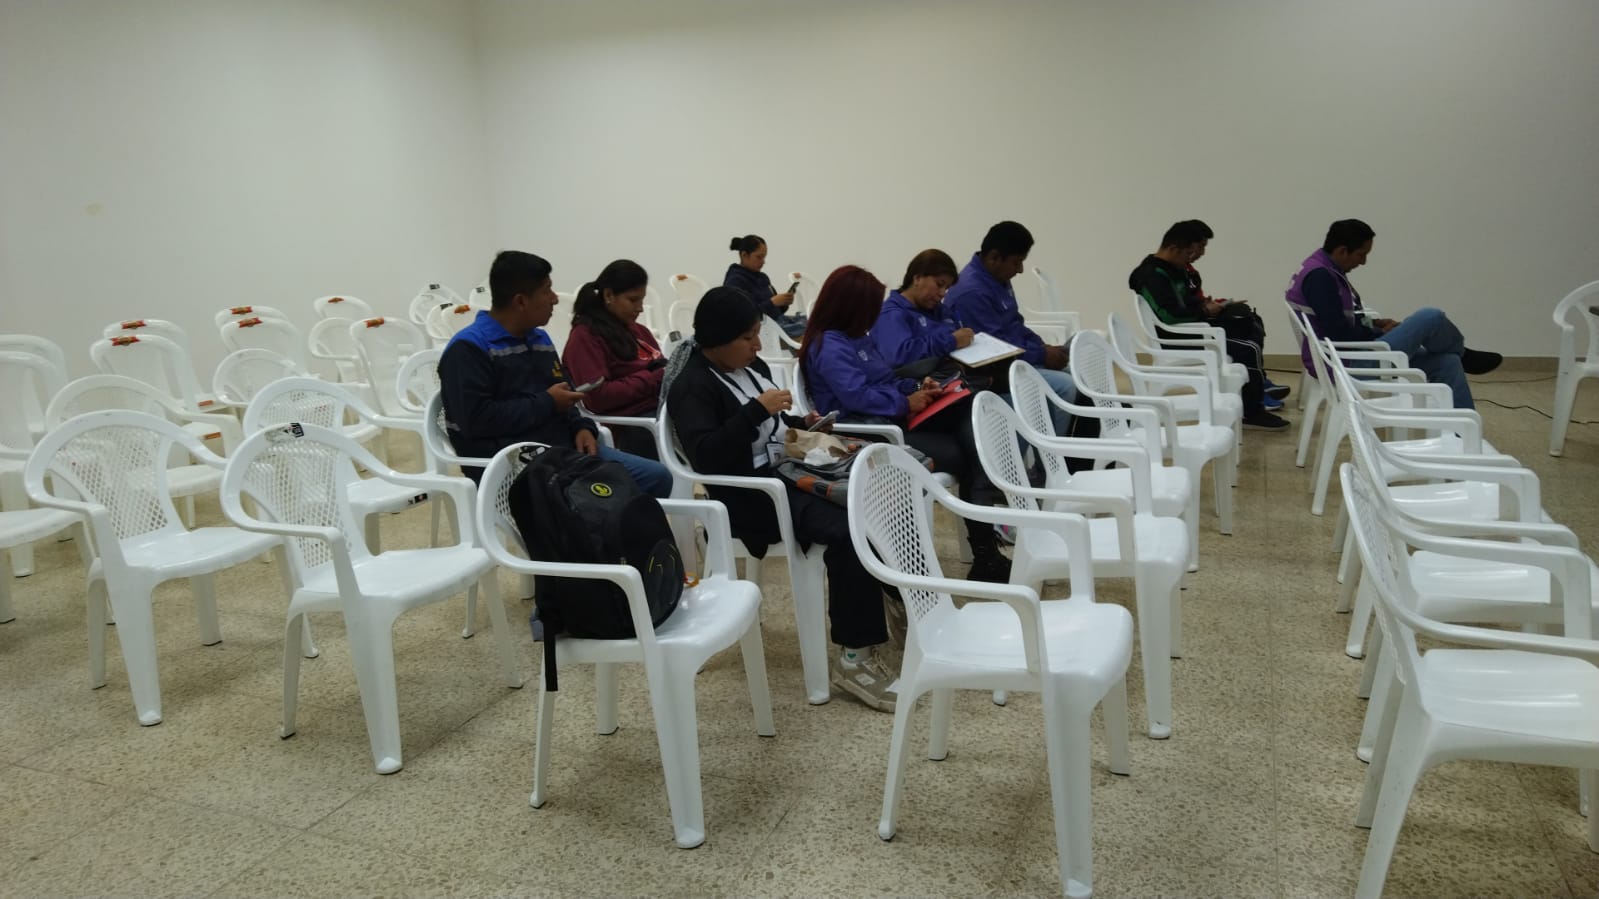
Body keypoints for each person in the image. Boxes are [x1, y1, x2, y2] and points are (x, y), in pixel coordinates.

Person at [663, 286, 897, 712]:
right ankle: (854, 658)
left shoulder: (745, 368)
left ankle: (896, 608)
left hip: (783, 473)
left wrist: (801, 422)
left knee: (878, 501)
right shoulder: (692, 386)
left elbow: (772, 426)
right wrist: (757, 410)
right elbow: (707, 456)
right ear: (717, 338)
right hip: (748, 495)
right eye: (747, 337)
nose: (757, 345)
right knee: (849, 531)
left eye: (757, 334)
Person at [799, 264, 1012, 583]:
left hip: (893, 419)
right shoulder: (830, 345)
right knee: (968, 454)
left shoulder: (857, 338)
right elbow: (857, 396)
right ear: (851, 307)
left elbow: (886, 378)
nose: (875, 315)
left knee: (969, 407)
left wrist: (917, 388)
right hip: (868, 434)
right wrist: (905, 402)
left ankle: (985, 551)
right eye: (870, 307)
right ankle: (984, 550)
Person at [438, 250, 672, 497]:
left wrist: (582, 427)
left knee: (656, 477)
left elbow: (564, 395)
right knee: (612, 500)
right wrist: (548, 402)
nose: (555, 299)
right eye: (547, 291)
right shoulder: (468, 349)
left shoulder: (539, 339)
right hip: (516, 466)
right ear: (521, 301)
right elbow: (476, 421)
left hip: (562, 451)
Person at [1287, 219, 1502, 409]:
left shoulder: (1320, 267)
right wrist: (1377, 333)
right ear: (1342, 251)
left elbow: (1337, 321)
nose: (1363, 262)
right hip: (1347, 364)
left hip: (1346, 356)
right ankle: (1464, 354)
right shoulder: (1321, 277)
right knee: (1431, 317)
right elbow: (1339, 334)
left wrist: (1376, 324)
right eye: (1361, 254)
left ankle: (1460, 437)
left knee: (1448, 363)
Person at [1129, 220, 1290, 430]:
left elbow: (1185, 302)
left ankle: (1256, 385)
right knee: (1248, 348)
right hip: (1175, 337)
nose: (1199, 255)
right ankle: (1252, 411)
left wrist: (1209, 305)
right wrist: (1205, 311)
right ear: (1174, 249)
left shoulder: (1175, 268)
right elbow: (1169, 316)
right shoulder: (1151, 275)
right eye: (1194, 251)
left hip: (1191, 328)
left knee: (1248, 321)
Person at [943, 221, 1077, 435]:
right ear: (994, 257)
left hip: (1018, 360)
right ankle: (1053, 454)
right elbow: (997, 350)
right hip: (994, 373)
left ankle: (1072, 446)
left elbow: (1015, 323)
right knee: (1065, 386)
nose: (1020, 270)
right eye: (1017, 262)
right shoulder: (972, 292)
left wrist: (1042, 346)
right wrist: (1042, 355)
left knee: (1077, 374)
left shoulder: (996, 278)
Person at [1179, 220, 1292, 409]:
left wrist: (1216, 303)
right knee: (1247, 338)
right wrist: (1206, 308)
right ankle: (1255, 394)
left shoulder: (1189, 271)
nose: (1202, 253)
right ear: (1186, 246)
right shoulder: (1168, 273)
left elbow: (1195, 300)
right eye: (1201, 247)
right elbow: (1179, 311)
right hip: (1194, 329)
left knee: (1252, 319)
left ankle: (1259, 380)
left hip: (1201, 319)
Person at [561, 259, 667, 459]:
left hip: (659, 409)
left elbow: (662, 369)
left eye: (642, 300)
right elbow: (598, 397)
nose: (640, 308)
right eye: (633, 300)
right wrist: (654, 377)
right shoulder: (585, 337)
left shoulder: (639, 331)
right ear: (609, 295)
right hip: (631, 424)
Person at [871, 248, 974, 371]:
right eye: (939, 284)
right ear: (917, 278)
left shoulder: (941, 310)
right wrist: (951, 341)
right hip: (922, 381)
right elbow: (898, 357)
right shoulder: (890, 314)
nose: (942, 293)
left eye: (946, 288)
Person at [724, 234, 807, 338]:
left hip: (777, 323)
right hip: (762, 332)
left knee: (812, 321)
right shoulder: (735, 281)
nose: (763, 262)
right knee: (811, 331)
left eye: (764, 257)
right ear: (744, 255)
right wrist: (773, 303)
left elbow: (775, 311)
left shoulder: (763, 277)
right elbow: (743, 317)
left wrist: (783, 303)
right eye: (759, 257)